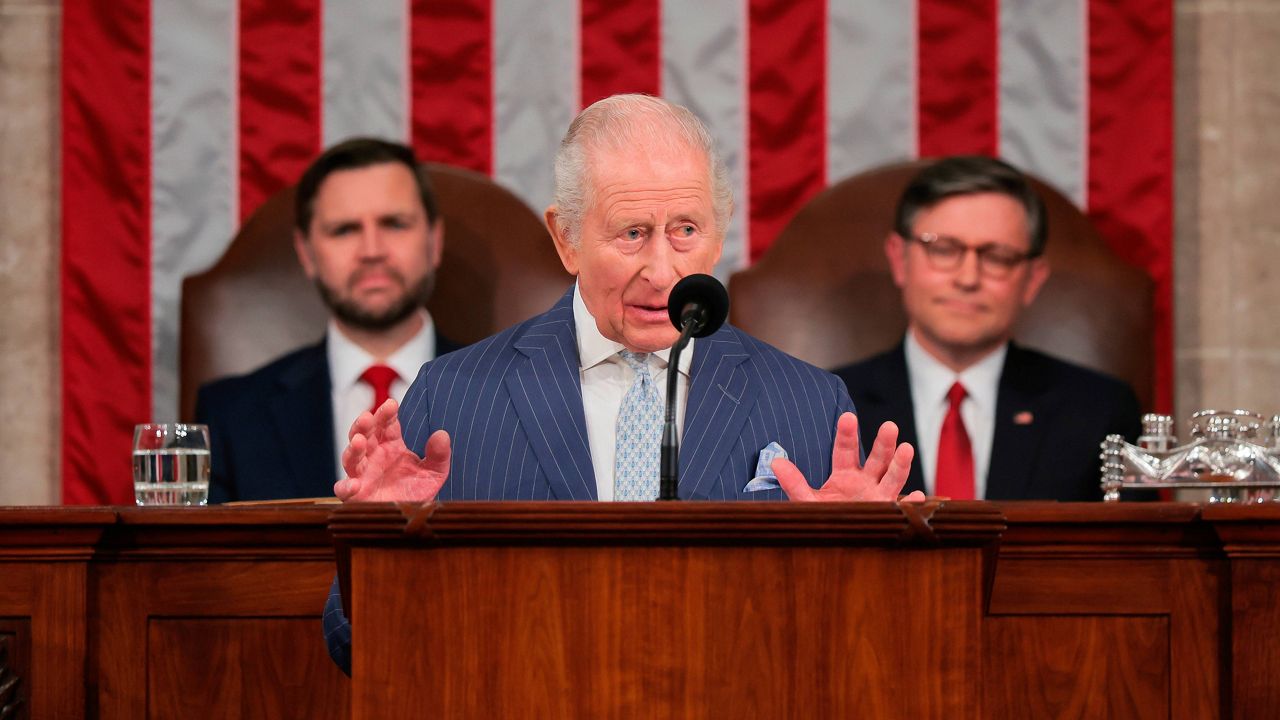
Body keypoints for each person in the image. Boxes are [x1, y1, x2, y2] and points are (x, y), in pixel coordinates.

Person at [322, 94, 921, 674]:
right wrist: (375, 551)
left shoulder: (810, 403)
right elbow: (356, 645)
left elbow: (863, 654)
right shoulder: (454, 395)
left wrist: (865, 570)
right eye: (632, 233)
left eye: (685, 230)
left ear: (720, 234)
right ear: (566, 239)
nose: (661, 272)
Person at [834, 156, 1141, 502]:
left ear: (1033, 279)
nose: (968, 278)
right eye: (943, 249)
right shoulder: (831, 404)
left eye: (997, 256)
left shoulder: (1098, 411)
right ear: (899, 258)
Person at [195, 138, 461, 503]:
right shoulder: (231, 416)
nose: (372, 251)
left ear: (434, 241)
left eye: (395, 224)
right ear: (306, 254)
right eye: (344, 230)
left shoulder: (510, 395)